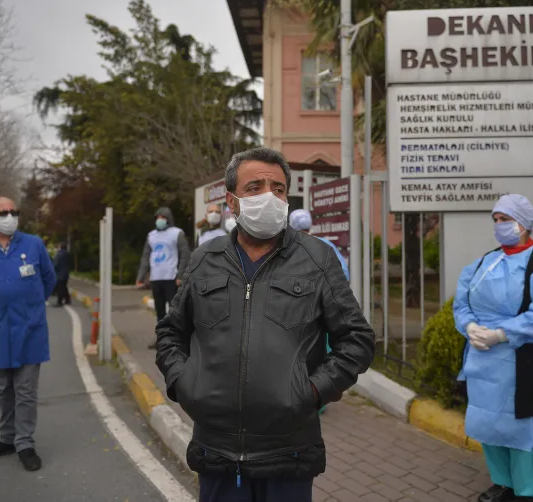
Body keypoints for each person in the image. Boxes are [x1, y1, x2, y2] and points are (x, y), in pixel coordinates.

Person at [155, 148, 375, 502]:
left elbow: (357, 339)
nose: (269, 197)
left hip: (288, 454)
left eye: (278, 188)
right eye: (254, 187)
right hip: (217, 453)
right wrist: (184, 383)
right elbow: (171, 332)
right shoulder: (203, 261)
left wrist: (311, 391)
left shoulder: (316, 258)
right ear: (232, 201)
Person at [452, 194, 533, 502]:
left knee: (524, 428)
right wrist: (469, 327)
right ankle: (503, 482)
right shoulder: (484, 263)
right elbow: (461, 302)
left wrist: (502, 334)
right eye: (497, 220)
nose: (500, 225)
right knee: (491, 425)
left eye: (507, 219)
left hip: (524, 361)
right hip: (483, 361)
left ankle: (530, 491)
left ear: (525, 224)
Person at [0, 196, 57, 472]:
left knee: (26, 390)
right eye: (3, 212)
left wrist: (29, 306)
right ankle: (6, 438)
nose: (9, 216)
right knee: (4, 390)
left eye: (13, 212)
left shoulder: (33, 244)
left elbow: (49, 279)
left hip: (30, 330)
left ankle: (25, 443)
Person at [288, 209, 349, 416]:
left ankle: (304, 396)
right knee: (322, 353)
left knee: (302, 355)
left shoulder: (290, 248)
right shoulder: (326, 246)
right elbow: (343, 276)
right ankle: (319, 398)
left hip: (300, 314)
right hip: (326, 312)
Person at [136, 206, 192, 349]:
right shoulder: (151, 236)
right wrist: (140, 277)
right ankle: (161, 340)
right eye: (158, 217)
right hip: (156, 278)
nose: (160, 220)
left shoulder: (176, 233)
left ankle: (178, 339)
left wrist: (180, 275)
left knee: (174, 311)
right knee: (159, 311)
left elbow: (185, 254)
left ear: (168, 219)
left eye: (163, 217)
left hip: (171, 278)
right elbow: (145, 256)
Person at [52, 242, 72, 306]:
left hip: (59, 274)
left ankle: (59, 302)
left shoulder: (59, 254)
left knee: (60, 288)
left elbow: (55, 264)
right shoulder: (67, 254)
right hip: (66, 273)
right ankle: (67, 300)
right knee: (64, 287)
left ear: (60, 247)